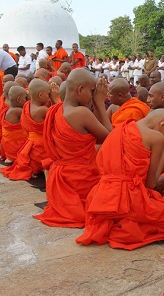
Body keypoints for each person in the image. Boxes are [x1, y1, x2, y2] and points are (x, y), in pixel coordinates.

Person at [77, 109, 164, 250]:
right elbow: (151, 183)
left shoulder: (119, 130)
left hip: (101, 197)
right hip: (131, 199)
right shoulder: (156, 137)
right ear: (163, 123)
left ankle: (120, 222)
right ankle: (126, 226)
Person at [34, 68, 111, 228]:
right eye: (92, 91)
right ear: (81, 89)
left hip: (61, 180)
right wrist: (100, 103)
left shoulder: (54, 110)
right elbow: (111, 139)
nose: (93, 95)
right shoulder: (81, 113)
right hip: (81, 180)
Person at [2, 79, 59, 180]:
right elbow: (60, 117)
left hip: (32, 148)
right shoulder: (42, 110)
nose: (49, 96)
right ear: (40, 95)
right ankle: (47, 170)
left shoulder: (26, 106)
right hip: (43, 149)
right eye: (48, 94)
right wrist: (55, 99)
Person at [0, 86, 29, 165]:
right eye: (25, 98)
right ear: (19, 99)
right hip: (15, 144)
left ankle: (10, 158)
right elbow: (30, 117)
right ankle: (13, 157)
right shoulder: (17, 111)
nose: (27, 100)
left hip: (7, 143)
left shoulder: (9, 109)